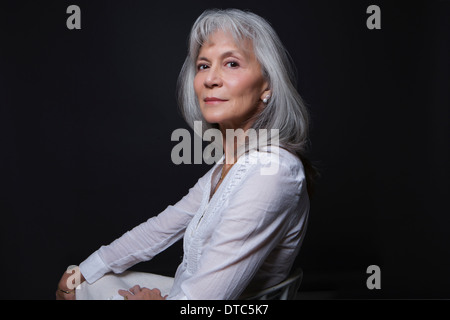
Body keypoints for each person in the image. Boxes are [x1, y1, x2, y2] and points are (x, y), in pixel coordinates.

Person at [56, 8, 314, 300]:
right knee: (82, 282)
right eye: (204, 66)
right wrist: (85, 270)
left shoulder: (273, 172)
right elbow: (159, 230)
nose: (210, 79)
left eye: (231, 63)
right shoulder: (230, 167)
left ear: (266, 86)